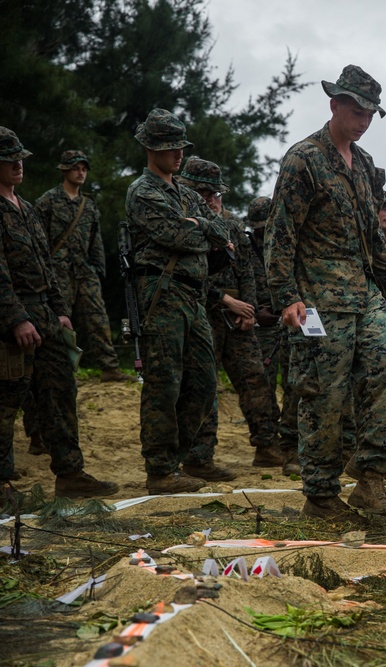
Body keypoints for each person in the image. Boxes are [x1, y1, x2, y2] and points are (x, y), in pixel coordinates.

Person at [266, 65, 386, 520]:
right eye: (357, 111)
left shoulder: (367, 164)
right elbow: (281, 236)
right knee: (324, 395)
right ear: (334, 105)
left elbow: (374, 240)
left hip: (366, 294)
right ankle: (320, 493)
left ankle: (371, 480)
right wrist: (286, 296)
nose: (364, 121)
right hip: (317, 300)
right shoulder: (303, 159)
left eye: (371, 114)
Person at [0, 127, 118, 496]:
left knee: (60, 391)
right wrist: (16, 318)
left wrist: (60, 310)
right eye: (10, 158)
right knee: (7, 401)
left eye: (21, 157)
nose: (19, 164)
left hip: (46, 314)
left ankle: (70, 473)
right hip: (11, 318)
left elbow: (44, 265)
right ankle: (2, 482)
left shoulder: (28, 208)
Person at [126, 109, 233, 494]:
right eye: (169, 147)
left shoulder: (186, 194)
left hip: (193, 295)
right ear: (150, 149)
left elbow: (221, 232)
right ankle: (159, 468)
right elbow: (176, 236)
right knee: (164, 384)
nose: (177, 154)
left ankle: (178, 460)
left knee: (203, 382)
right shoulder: (143, 192)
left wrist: (200, 225)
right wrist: (201, 230)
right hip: (162, 293)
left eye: (180, 147)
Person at [178, 158, 284, 476]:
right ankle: (200, 456)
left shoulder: (234, 225)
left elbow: (247, 270)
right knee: (202, 385)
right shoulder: (185, 224)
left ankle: (267, 444)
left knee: (255, 380)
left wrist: (248, 309)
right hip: (203, 315)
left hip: (238, 319)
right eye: (202, 192)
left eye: (214, 193)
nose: (210, 199)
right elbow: (188, 274)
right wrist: (223, 299)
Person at [34, 151, 131, 382]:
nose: (81, 173)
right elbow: (38, 239)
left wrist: (98, 269)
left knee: (98, 319)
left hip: (85, 271)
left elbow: (95, 240)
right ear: (64, 170)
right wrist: (43, 272)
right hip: (57, 272)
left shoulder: (88, 204)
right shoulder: (47, 201)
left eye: (84, 168)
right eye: (76, 168)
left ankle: (109, 367)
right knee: (60, 321)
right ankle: (61, 369)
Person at [245, 196, 301, 472]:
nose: (262, 235)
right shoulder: (246, 248)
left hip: (291, 319)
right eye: (257, 230)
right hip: (261, 327)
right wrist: (255, 312)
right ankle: (266, 444)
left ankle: (292, 443)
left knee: (295, 382)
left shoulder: (290, 242)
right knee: (261, 385)